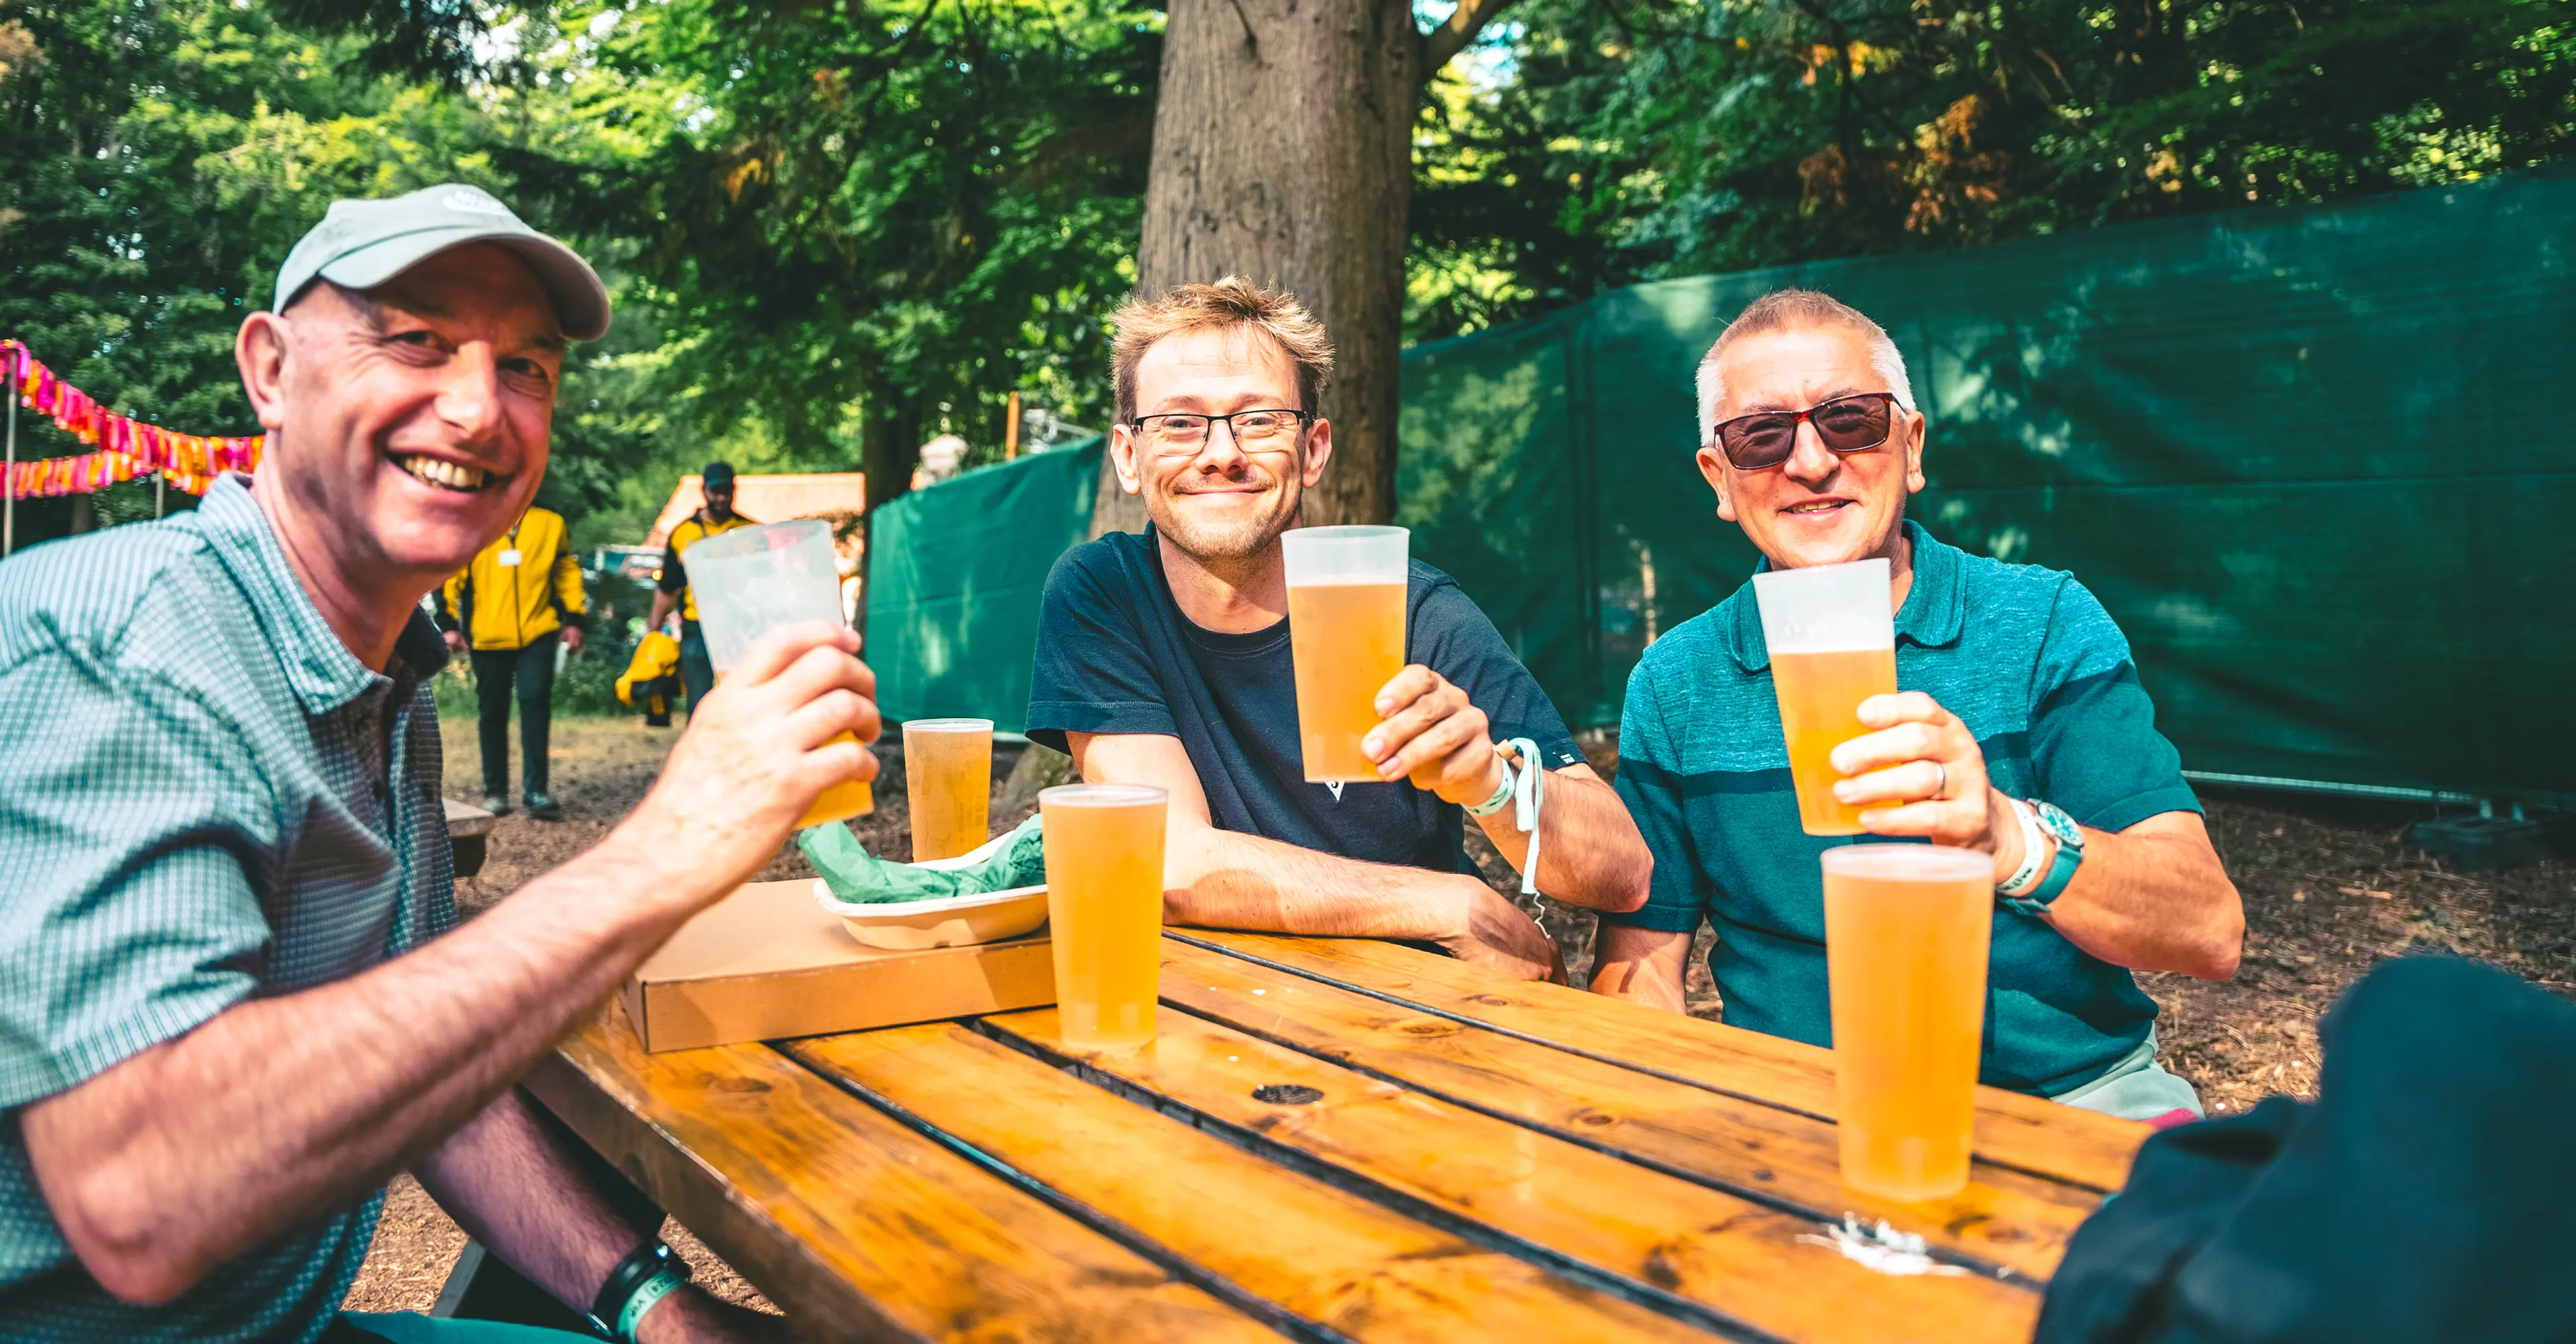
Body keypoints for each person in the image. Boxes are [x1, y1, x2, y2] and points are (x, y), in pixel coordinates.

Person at [0, 183, 878, 1341]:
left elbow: (428, 1074)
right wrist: (672, 843)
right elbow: (140, 1196)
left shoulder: (386, 681)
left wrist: (653, 1305)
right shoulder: (122, 646)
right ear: (268, 370)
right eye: (415, 340)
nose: (478, 409)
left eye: (528, 367)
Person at [1590, 288, 2243, 1118]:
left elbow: (2207, 929)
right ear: (1719, 479)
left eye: (1850, 420)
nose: (1811, 462)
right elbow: (1643, 965)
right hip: (1792, 1110)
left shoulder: (2040, 623)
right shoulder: (1677, 679)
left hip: (2071, 1098)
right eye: (1762, 436)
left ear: (1912, 444)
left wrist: (2011, 838)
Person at [1024, 278, 1654, 981]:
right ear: (1129, 456)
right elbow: (1168, 863)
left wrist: (1491, 782)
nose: (1220, 451)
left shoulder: (1408, 607)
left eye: (1258, 420)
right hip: (1210, 998)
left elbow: (1623, 873)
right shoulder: (1103, 594)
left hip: (1419, 1010)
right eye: (1179, 422)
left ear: (1314, 449)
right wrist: (1449, 903)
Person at [436, 503, 588, 819]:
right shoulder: (475, 520)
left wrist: (575, 618)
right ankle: (496, 792)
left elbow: (566, 571)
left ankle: (536, 791)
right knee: (492, 711)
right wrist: (449, 624)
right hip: (487, 635)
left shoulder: (551, 523)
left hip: (539, 632)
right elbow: (451, 575)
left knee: (535, 702)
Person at [645, 462, 753, 714]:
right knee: (700, 700)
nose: (721, 498)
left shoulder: (751, 531)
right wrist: (654, 628)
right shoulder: (683, 533)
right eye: (716, 491)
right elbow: (668, 587)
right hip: (697, 625)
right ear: (704, 491)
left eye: (727, 491)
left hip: (740, 626)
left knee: (742, 695)